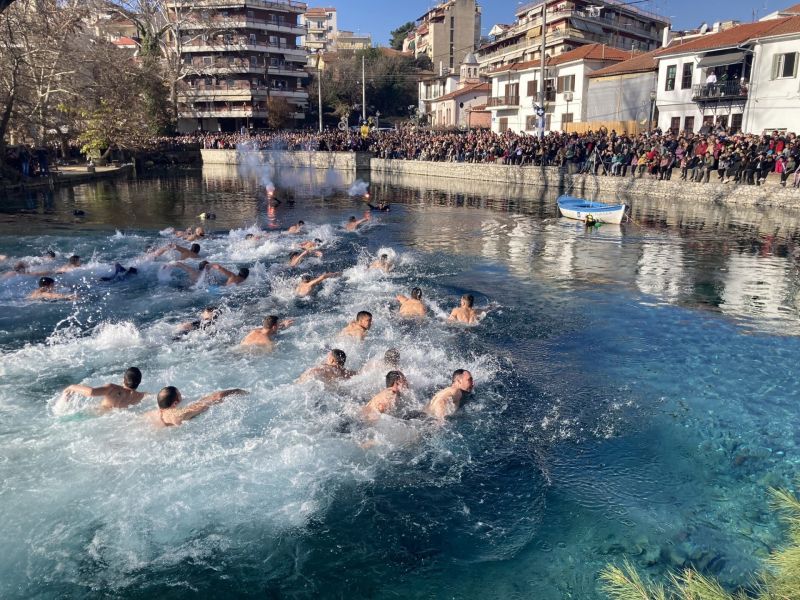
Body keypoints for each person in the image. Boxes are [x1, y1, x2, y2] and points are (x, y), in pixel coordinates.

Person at [147, 386, 248, 427]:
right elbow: (215, 398)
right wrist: (238, 391)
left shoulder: (150, 415)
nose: (183, 398)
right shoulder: (178, 414)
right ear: (174, 404)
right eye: (180, 396)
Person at [62, 367, 146, 411]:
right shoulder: (141, 396)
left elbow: (91, 392)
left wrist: (71, 387)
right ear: (139, 382)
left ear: (123, 379)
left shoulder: (112, 389)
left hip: (97, 415)